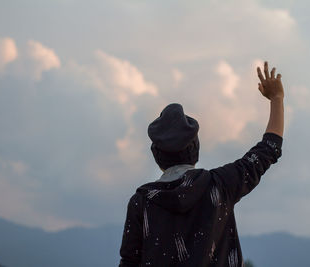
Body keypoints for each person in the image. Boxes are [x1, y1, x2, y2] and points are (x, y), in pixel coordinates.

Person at [119, 61, 284, 267]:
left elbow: (129, 262)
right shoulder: (220, 185)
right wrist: (276, 99)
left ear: (156, 155)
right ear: (195, 150)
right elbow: (269, 149)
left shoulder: (141, 203)